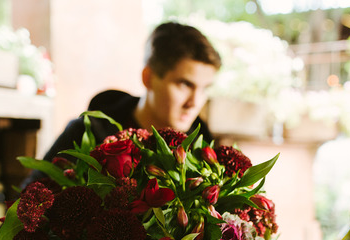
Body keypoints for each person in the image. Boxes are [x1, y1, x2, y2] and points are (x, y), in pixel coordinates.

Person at [42, 21, 222, 163]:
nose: (194, 102)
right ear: (148, 78)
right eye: (184, 84)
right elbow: (32, 193)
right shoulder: (87, 132)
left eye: (205, 88)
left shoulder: (205, 154)